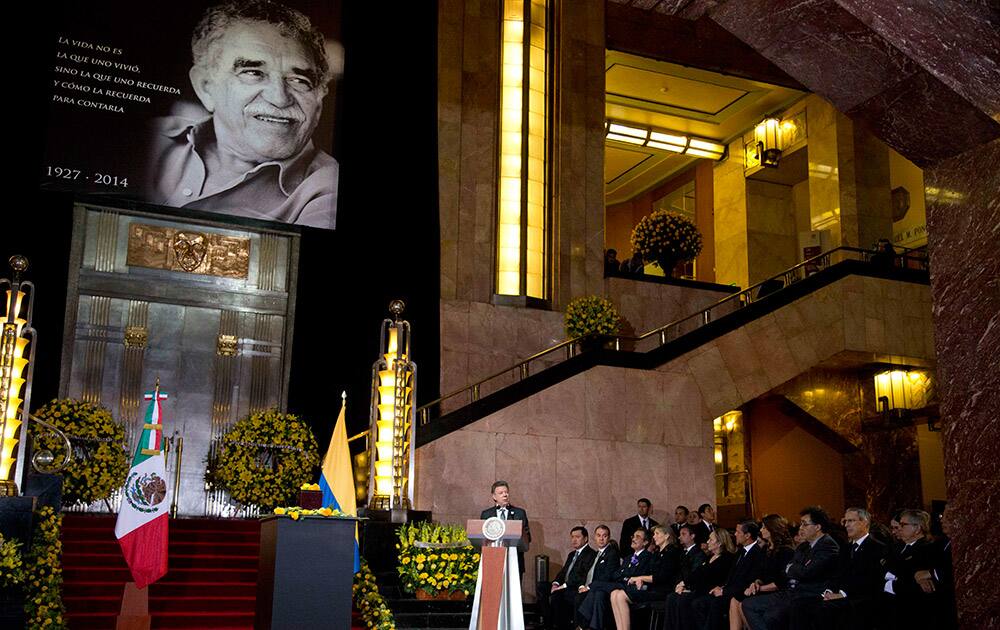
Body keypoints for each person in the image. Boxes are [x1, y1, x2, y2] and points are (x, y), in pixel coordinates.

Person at [145, 0, 340, 229]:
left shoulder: (327, 191)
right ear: (205, 87)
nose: (279, 97)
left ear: (319, 101)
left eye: (299, 80)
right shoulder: (149, 139)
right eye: (253, 73)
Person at [740, 506, 840, 630]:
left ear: (818, 527)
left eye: (804, 524)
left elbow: (806, 572)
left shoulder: (828, 545)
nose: (800, 528)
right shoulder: (804, 546)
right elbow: (788, 570)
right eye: (801, 524)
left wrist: (793, 569)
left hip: (809, 593)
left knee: (771, 616)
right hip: (792, 590)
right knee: (747, 604)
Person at [788, 507, 887, 630]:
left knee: (819, 608)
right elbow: (837, 574)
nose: (847, 525)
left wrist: (842, 593)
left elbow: (871, 579)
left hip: (862, 597)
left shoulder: (877, 548)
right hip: (842, 594)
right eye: (845, 521)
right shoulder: (846, 547)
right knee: (801, 605)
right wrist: (829, 591)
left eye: (851, 521)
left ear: (864, 522)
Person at [693, 520, 765, 630]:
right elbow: (731, 576)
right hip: (730, 590)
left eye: (738, 532)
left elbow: (748, 580)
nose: (735, 534)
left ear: (747, 535)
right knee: (699, 602)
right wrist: (722, 587)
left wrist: (724, 591)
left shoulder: (757, 553)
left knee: (714, 603)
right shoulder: (741, 551)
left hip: (741, 593)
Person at [576, 529, 654, 630]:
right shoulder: (628, 558)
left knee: (595, 585)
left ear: (645, 542)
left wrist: (626, 577)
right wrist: (626, 577)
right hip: (621, 585)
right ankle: (593, 627)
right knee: (598, 591)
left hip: (633, 589)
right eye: (633, 536)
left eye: (637, 537)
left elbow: (635, 575)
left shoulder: (648, 557)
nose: (633, 539)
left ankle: (583, 623)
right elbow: (616, 575)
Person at [609, 525, 680, 630]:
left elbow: (661, 577)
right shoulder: (657, 553)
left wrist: (640, 578)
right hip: (651, 587)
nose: (654, 537)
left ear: (666, 536)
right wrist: (641, 580)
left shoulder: (671, 553)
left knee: (621, 596)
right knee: (614, 593)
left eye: (657, 534)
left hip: (661, 591)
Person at [730, 514, 795, 630]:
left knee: (745, 604)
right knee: (736, 600)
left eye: (764, 527)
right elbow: (761, 574)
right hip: (766, 588)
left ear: (772, 529)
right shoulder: (766, 549)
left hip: (781, 591)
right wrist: (756, 583)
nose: (761, 530)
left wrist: (759, 588)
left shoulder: (786, 551)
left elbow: (781, 582)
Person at [665, 528, 736, 630]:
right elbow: (697, 574)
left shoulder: (727, 558)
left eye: (711, 540)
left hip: (711, 591)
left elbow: (711, 577)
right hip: (700, 589)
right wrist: (685, 585)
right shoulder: (709, 557)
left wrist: (688, 587)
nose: (707, 542)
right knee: (672, 597)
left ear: (719, 543)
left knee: (686, 601)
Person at [538, 526, 596, 630]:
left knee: (556, 595)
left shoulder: (590, 554)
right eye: (572, 537)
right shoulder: (572, 554)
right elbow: (563, 572)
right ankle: (547, 622)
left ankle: (559, 625)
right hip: (564, 585)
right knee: (542, 587)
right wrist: (555, 583)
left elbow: (581, 576)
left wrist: (562, 586)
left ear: (586, 538)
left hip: (575, 587)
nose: (574, 540)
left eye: (577, 537)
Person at [480, 480, 531, 579]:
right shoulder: (486, 514)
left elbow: (528, 537)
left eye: (506, 492)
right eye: (501, 493)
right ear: (494, 497)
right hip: (493, 560)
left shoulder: (519, 513)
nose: (505, 495)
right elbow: (482, 537)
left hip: (514, 560)